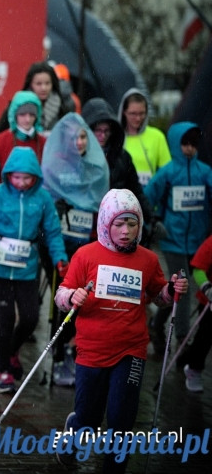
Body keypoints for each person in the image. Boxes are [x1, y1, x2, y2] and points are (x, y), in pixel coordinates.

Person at [54, 189, 187, 472]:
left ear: (140, 225)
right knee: (89, 417)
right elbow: (61, 295)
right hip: (92, 350)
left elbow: (159, 295)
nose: (125, 231)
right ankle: (75, 429)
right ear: (105, 223)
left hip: (131, 349)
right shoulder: (86, 255)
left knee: (121, 419)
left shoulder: (148, 260)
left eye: (132, 223)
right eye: (118, 224)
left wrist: (171, 290)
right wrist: (71, 296)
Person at [0, 146, 67, 393]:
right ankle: (4, 371)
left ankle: (12, 351)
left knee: (31, 317)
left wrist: (60, 258)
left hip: (27, 268)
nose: (22, 183)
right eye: (16, 177)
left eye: (27, 178)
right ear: (8, 175)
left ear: (35, 176)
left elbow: (53, 232)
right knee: (6, 317)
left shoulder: (43, 199)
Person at [40, 112, 109, 386]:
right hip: (57, 242)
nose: (80, 142)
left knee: (82, 300)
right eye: (74, 137)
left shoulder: (94, 166)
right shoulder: (53, 164)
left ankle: (69, 348)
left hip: (84, 242)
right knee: (63, 299)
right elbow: (45, 197)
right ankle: (57, 357)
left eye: (83, 136)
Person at [145, 123, 212, 348]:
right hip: (172, 240)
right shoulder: (168, 172)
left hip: (197, 239)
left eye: (193, 144)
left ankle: (157, 323)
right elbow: (148, 197)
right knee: (183, 285)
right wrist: (154, 221)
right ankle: (184, 338)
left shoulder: (205, 172)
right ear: (176, 144)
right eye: (185, 144)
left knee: (178, 289)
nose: (189, 149)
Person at [80, 97, 153, 236]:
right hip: (82, 227)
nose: (102, 135)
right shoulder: (76, 156)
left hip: (113, 226)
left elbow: (135, 191)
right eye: (98, 130)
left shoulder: (122, 157)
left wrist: (151, 217)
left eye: (107, 131)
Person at [0, 90, 46, 197]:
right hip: (5, 204)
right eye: (22, 114)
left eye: (32, 115)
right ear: (14, 115)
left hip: (35, 205)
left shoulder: (43, 143)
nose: (27, 119)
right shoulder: (0, 140)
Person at [0, 61, 75, 139]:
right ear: (30, 84)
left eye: (47, 83)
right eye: (38, 84)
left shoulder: (63, 108)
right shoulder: (17, 106)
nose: (43, 88)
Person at [118, 88, 171, 188]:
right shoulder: (116, 138)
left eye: (142, 113)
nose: (138, 118)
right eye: (133, 113)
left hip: (150, 199)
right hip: (123, 200)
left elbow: (167, 172)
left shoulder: (157, 136)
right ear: (124, 112)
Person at [182, 235, 212, 392]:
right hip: (209, 302)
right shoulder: (210, 244)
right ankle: (194, 369)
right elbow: (198, 269)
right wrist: (207, 288)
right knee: (205, 338)